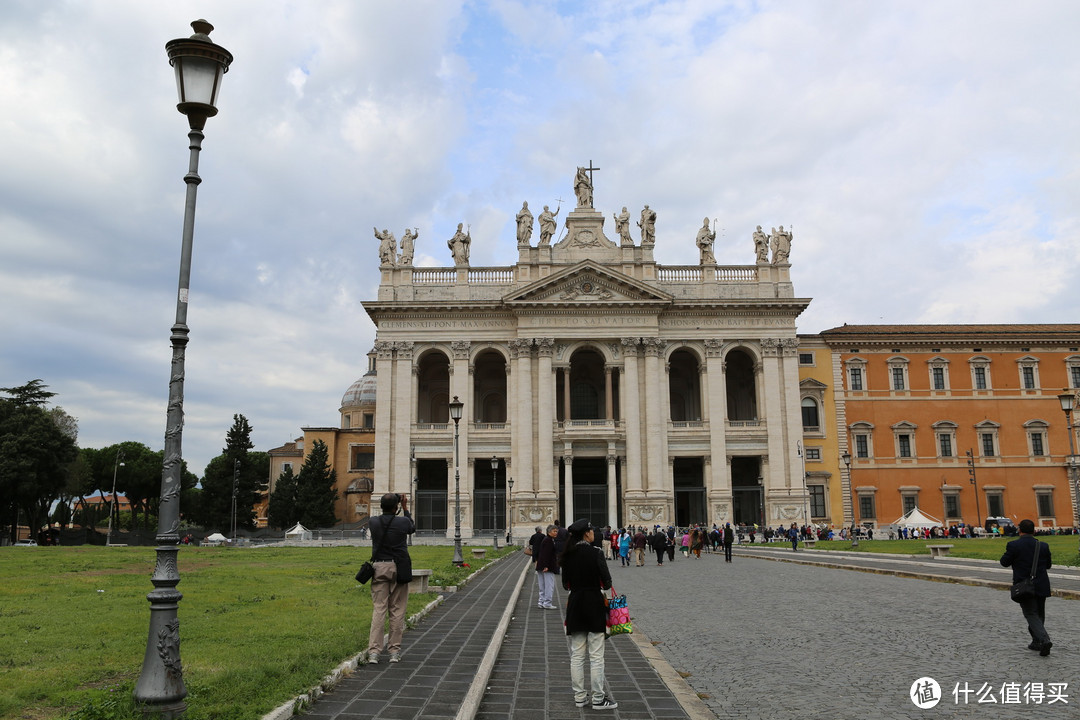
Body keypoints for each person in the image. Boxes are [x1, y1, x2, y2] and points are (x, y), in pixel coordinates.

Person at [560, 519, 616, 710]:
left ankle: (580, 697)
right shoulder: (597, 553)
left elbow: (565, 584)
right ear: (586, 533)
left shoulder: (566, 555)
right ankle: (599, 698)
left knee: (577, 655)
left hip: (575, 604)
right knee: (596, 655)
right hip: (594, 604)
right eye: (592, 530)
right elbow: (607, 582)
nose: (594, 533)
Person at [366, 492, 415, 664]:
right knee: (397, 610)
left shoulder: (373, 522)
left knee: (379, 609)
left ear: (380, 506)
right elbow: (412, 527)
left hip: (379, 567)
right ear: (396, 507)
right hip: (399, 567)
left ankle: (374, 652)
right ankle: (394, 651)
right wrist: (405, 507)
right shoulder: (402, 521)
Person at [1000, 518, 1053, 656]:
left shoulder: (1013, 545)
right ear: (1034, 530)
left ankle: (1044, 639)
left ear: (1019, 530)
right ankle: (1036, 642)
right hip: (1041, 584)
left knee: (1030, 613)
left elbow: (1004, 562)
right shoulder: (1043, 545)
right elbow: (1048, 565)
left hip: (1024, 585)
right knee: (1039, 614)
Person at [536, 524, 559, 610]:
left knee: (542, 585)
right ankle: (547, 603)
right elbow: (546, 554)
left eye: (556, 531)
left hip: (541, 565)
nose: (556, 533)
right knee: (549, 585)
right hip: (547, 566)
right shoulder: (549, 540)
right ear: (549, 532)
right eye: (554, 531)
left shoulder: (546, 539)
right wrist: (546, 566)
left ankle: (541, 602)